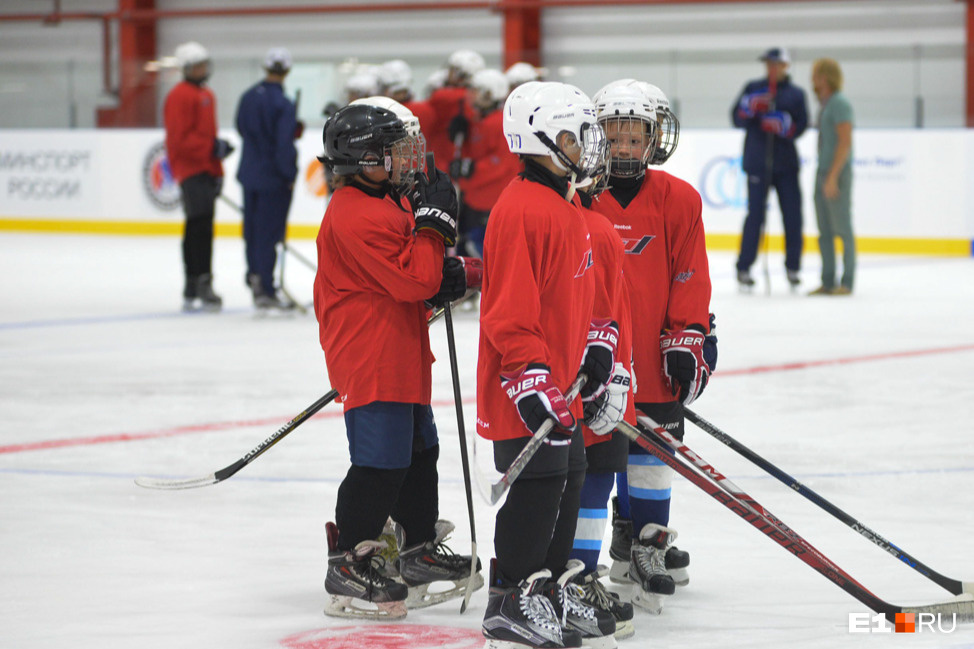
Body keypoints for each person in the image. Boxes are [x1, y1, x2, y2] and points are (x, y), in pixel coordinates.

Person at [313, 103, 482, 619]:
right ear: (364, 158)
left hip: (400, 346)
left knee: (419, 451)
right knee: (380, 464)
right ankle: (349, 559)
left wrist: (459, 272)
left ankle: (417, 549)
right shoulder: (353, 212)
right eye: (394, 149)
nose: (408, 157)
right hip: (370, 352)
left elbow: (416, 273)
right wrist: (434, 234)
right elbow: (413, 279)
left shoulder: (387, 200)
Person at [478, 80, 618, 649]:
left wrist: (596, 345)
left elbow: (576, 295)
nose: (585, 145)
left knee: (570, 477)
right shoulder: (521, 210)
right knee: (537, 486)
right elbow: (509, 311)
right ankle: (512, 595)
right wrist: (530, 377)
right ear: (539, 138)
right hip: (525, 388)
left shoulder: (565, 204)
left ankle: (550, 587)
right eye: (574, 134)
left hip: (563, 382)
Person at [590, 80, 714, 615]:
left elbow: (690, 275)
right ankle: (612, 543)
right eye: (613, 136)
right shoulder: (578, 196)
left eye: (634, 137)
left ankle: (646, 543)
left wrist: (688, 336)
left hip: (651, 356)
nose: (623, 148)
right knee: (601, 453)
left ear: (653, 140)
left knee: (652, 453)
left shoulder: (679, 199)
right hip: (598, 357)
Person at [731, 47, 809, 291]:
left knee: (793, 216)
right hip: (757, 163)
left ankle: (793, 267)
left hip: (786, 165)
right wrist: (750, 108)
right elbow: (736, 118)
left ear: (786, 66)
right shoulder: (753, 88)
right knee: (755, 216)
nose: (772, 68)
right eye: (768, 64)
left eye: (776, 64)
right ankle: (744, 268)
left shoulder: (796, 94)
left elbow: (803, 124)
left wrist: (787, 127)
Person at [164, 41, 234, 312]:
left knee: (200, 226)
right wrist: (210, 149)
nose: (204, 69)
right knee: (199, 226)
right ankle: (198, 282)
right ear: (187, 68)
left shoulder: (206, 94)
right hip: (191, 170)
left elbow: (200, 134)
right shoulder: (181, 95)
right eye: (199, 65)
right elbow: (180, 139)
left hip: (205, 168)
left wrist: (216, 151)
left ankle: (196, 283)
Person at [235, 47, 299, 310]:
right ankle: (266, 287)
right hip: (273, 178)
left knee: (252, 230)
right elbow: (283, 144)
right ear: (287, 70)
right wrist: (289, 173)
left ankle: (255, 278)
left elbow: (241, 127)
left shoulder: (249, 96)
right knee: (268, 233)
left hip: (250, 173)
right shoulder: (283, 103)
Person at [448, 68, 520, 257]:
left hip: (490, 202)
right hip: (475, 200)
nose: (470, 95)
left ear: (490, 93)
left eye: (476, 91)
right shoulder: (480, 120)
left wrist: (469, 170)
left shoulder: (500, 122)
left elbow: (503, 163)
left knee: (485, 252)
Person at [810, 57, 855, 296]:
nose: (813, 81)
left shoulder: (839, 103)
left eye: (815, 76)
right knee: (824, 230)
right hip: (823, 171)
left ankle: (847, 281)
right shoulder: (826, 104)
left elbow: (845, 142)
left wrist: (832, 176)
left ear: (824, 77)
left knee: (842, 228)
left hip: (835, 174)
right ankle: (828, 280)